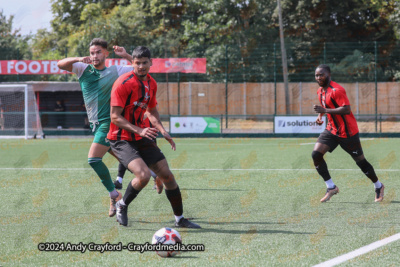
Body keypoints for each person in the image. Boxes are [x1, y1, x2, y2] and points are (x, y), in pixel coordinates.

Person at [107, 46, 200, 228]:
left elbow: (152, 110)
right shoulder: (122, 83)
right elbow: (114, 117)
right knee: (143, 176)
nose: (141, 66)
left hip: (141, 136)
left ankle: (180, 219)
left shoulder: (152, 83)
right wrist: (140, 130)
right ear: (132, 62)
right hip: (120, 138)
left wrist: (162, 130)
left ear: (151, 63)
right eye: (137, 63)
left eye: (144, 63)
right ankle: (122, 204)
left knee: (167, 176)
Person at [57, 38, 134, 217]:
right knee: (125, 159)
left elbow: (141, 69)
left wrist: (126, 55)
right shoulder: (82, 68)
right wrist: (78, 58)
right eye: (92, 52)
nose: (95, 56)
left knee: (93, 160)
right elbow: (60, 64)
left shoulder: (116, 70)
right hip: (96, 125)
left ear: (106, 54)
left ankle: (114, 195)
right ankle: (154, 173)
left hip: (110, 123)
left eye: (98, 52)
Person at [312, 64, 384, 203]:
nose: (319, 77)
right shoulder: (320, 91)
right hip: (331, 130)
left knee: (361, 162)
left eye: (321, 74)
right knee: (316, 154)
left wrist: (325, 111)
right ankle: (331, 187)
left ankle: (378, 186)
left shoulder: (337, 90)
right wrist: (320, 115)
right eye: (316, 75)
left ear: (328, 75)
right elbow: (326, 107)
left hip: (348, 132)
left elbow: (346, 109)